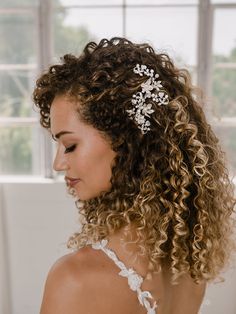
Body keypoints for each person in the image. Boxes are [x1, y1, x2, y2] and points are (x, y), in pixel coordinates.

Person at [33, 37, 235, 314]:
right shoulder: (186, 267)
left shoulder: (74, 281)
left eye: (70, 145)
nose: (58, 163)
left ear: (128, 140)